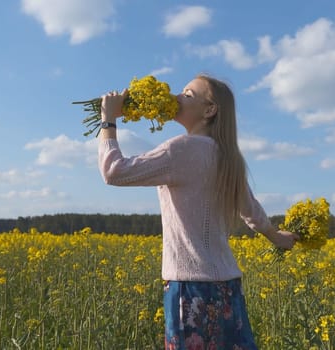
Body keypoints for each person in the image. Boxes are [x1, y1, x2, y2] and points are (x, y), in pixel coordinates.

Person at [98, 74, 299, 349]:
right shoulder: (228, 157)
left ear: (209, 110)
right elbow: (252, 212)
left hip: (189, 288)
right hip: (228, 287)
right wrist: (278, 238)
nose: (178, 96)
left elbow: (113, 171)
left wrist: (108, 119)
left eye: (189, 94)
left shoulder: (180, 149)